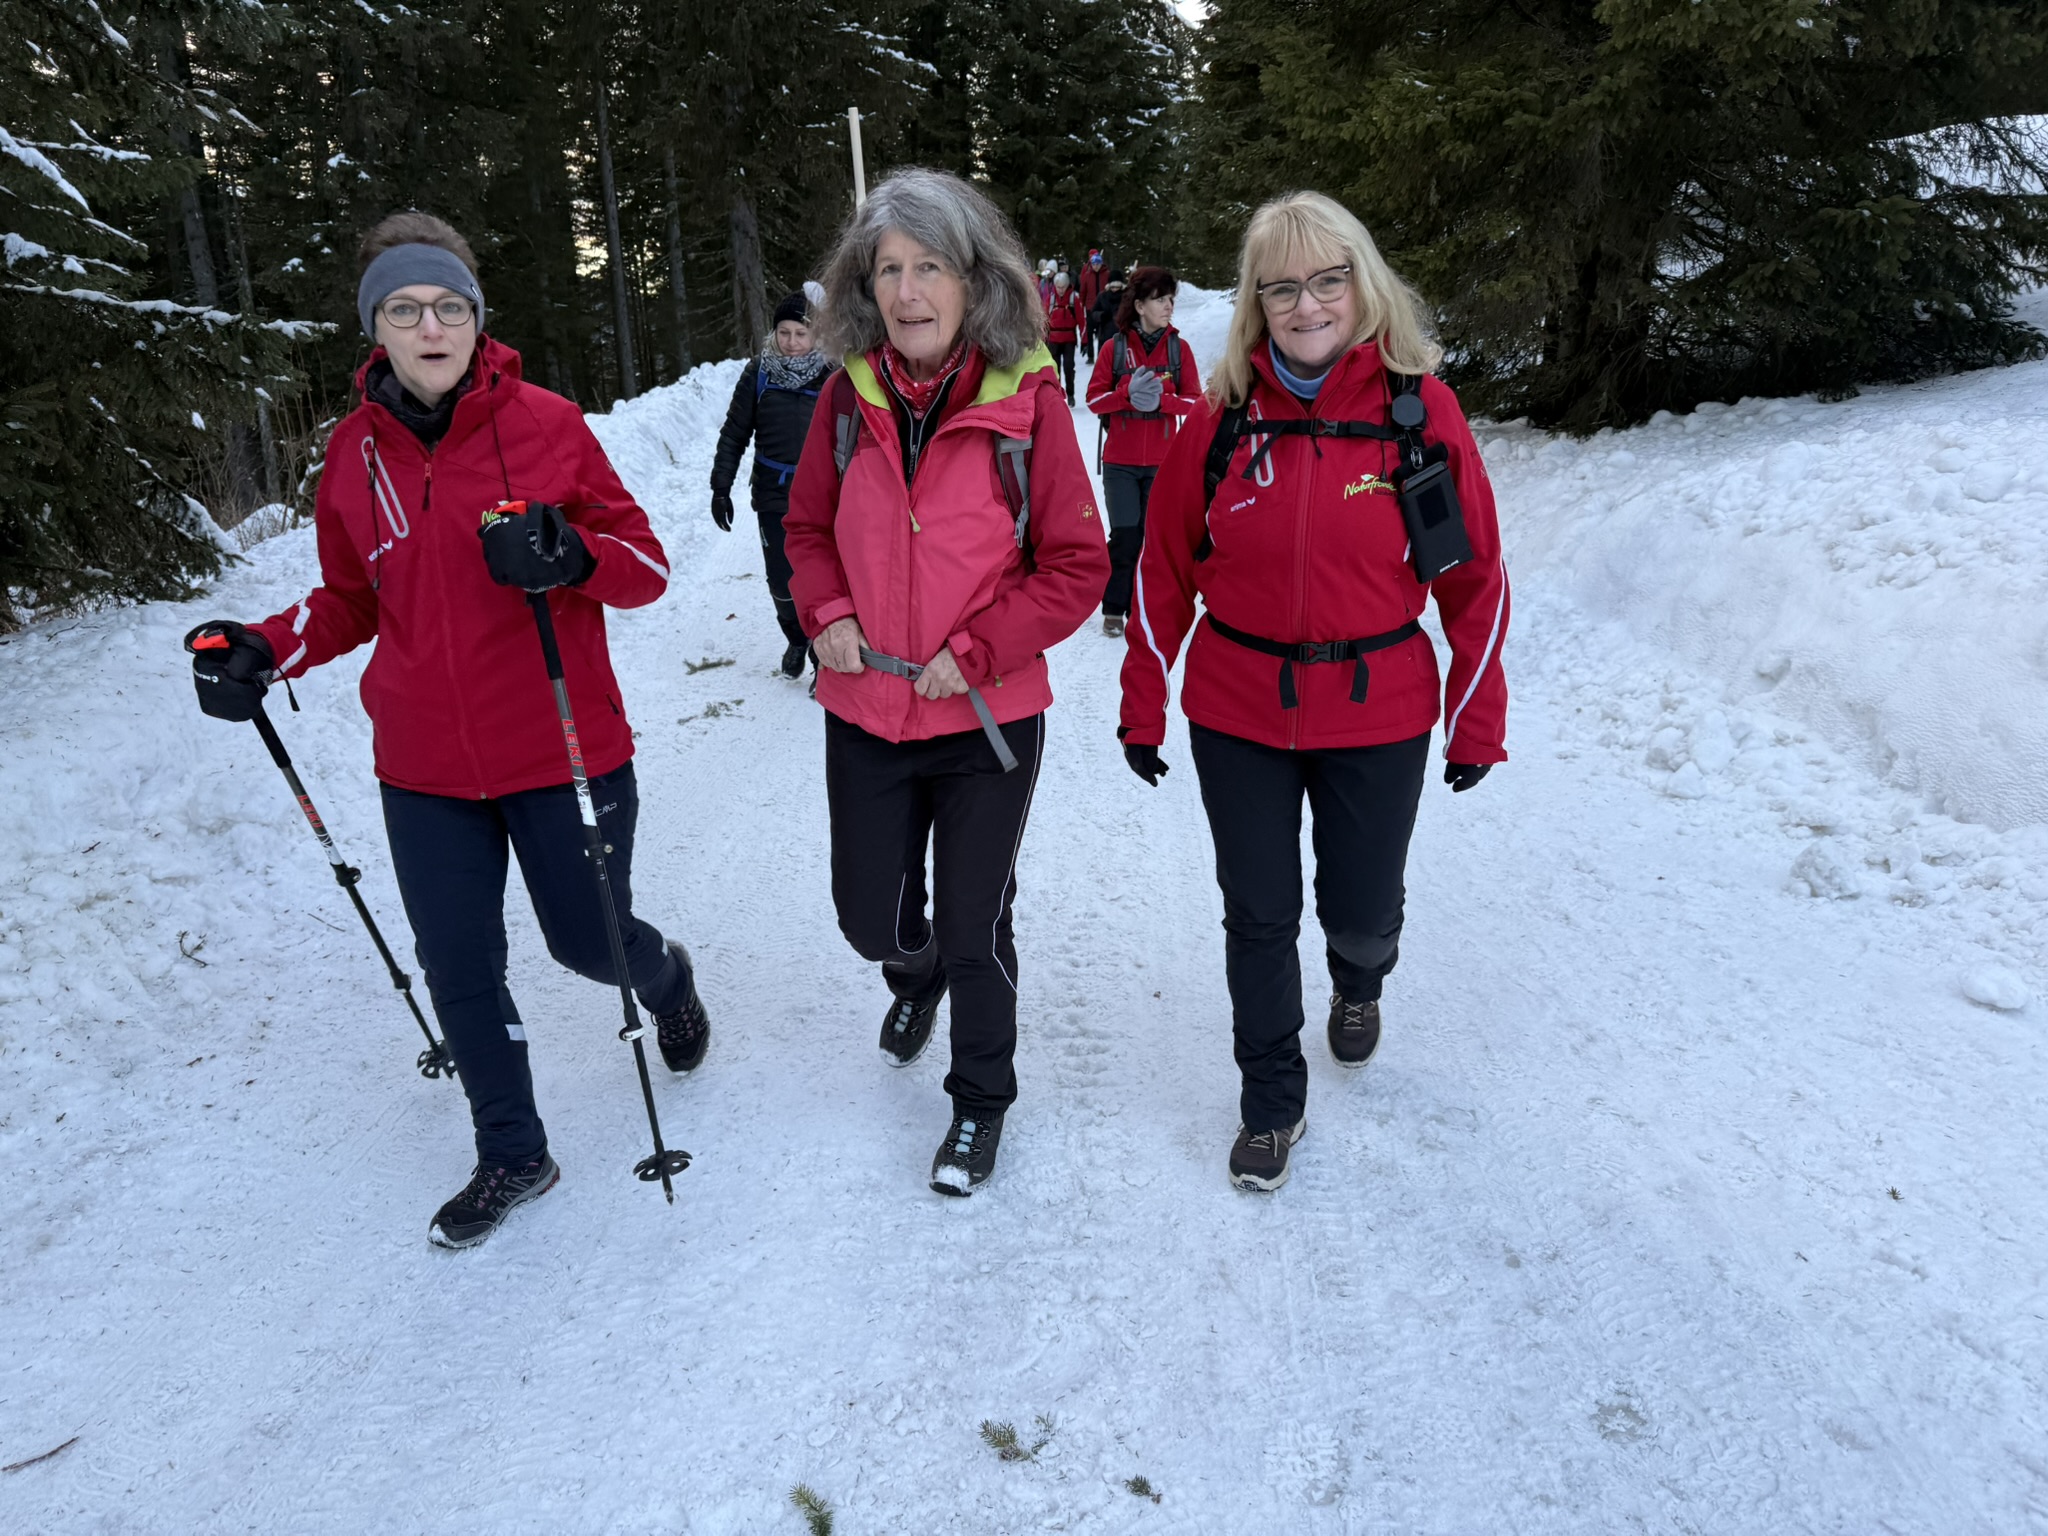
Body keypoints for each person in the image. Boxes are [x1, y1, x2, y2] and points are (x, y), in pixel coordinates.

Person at [182, 211, 714, 1249]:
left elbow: (647, 566)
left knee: (590, 943)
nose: (430, 327)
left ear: (476, 318)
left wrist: (571, 554)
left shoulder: (549, 424)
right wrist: (266, 647)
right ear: (375, 328)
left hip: (561, 748)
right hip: (424, 766)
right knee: (458, 966)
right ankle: (513, 1151)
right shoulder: (351, 453)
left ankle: (667, 980)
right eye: (404, 309)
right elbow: (349, 598)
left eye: (448, 307)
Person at [1117, 191, 1509, 1193]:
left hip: (1378, 710)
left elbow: (1473, 579)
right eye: (1281, 287)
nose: (1307, 305)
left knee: (1359, 909)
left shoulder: (1418, 413)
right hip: (1238, 709)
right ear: (1254, 301)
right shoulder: (1219, 419)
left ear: (1361, 284)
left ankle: (1359, 975)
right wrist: (1142, 699)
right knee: (1257, 914)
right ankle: (1270, 1099)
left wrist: (1476, 715)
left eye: (1327, 280)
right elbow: (1162, 571)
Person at [784, 169, 1108, 1196]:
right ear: (863, 285)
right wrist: (826, 612)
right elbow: (805, 529)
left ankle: (979, 1101)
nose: (908, 291)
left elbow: (1077, 565)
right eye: (888, 269)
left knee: (977, 923)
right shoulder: (846, 397)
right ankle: (910, 968)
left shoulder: (1028, 402)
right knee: (870, 922)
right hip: (865, 712)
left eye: (930, 266)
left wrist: (976, 651)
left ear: (975, 281)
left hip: (984, 720)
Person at [710, 290, 836, 678]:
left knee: (824, 577)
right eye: (784, 332)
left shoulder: (833, 374)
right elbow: (735, 432)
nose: (792, 342)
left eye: (801, 333)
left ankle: (822, 656)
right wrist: (720, 487)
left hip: (824, 494)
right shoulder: (759, 373)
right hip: (773, 492)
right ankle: (796, 638)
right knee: (782, 581)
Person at [1086, 265, 1200, 638]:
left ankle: (1141, 608)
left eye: (1171, 299)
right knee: (1125, 536)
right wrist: (1126, 396)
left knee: (1152, 539)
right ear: (1139, 306)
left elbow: (1195, 403)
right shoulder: (1114, 348)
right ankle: (1113, 608)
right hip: (1120, 463)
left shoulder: (1179, 350)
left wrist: (1162, 402)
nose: (1168, 306)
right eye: (1159, 299)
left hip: (1164, 463)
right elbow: (1094, 400)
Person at [1044, 269, 1087, 405]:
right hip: (1053, 340)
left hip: (1069, 339)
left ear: (1067, 285)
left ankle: (1070, 394)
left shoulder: (1074, 298)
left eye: (1063, 287)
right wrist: (1042, 338)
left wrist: (1085, 341)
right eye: (1058, 287)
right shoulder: (1051, 299)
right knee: (1054, 369)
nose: (1060, 290)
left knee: (1069, 368)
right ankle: (1057, 395)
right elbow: (1044, 319)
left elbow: (1081, 321)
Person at [1087, 266, 1125, 364]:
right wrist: (1101, 316)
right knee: (1104, 363)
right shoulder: (1102, 296)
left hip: (1123, 335)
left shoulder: (1127, 297)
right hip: (1104, 335)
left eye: (1117, 287)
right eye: (1113, 287)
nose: (1115, 289)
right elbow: (1093, 313)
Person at [1076, 249, 1107, 360]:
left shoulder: (1106, 274)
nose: (1096, 266)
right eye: (1094, 264)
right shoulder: (1087, 275)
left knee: (1102, 333)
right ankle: (1090, 355)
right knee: (1089, 332)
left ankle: (1101, 355)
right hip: (1090, 307)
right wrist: (1081, 303)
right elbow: (1083, 290)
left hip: (1103, 307)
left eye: (1098, 264)